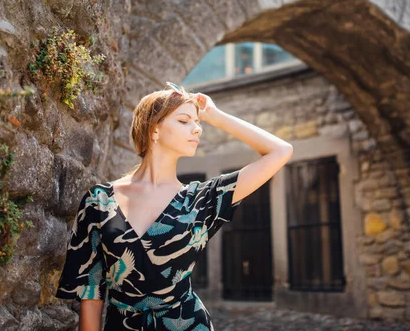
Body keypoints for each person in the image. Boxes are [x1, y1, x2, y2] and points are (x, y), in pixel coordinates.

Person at [54, 81, 293, 330]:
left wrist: (215, 116)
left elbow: (280, 151)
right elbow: (91, 294)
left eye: (197, 123)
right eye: (184, 121)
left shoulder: (202, 199)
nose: (197, 129)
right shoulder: (99, 201)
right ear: (153, 129)